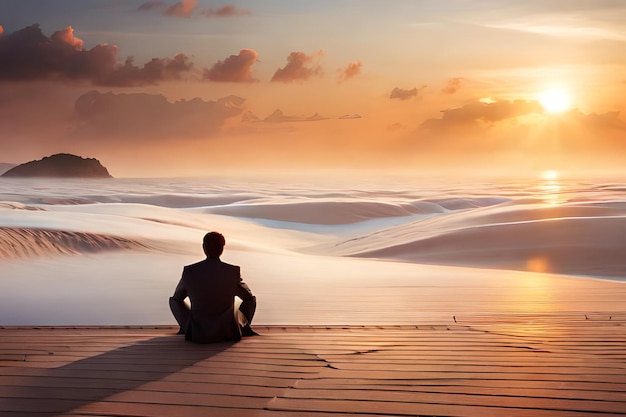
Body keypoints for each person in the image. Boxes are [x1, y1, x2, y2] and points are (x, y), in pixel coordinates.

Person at [169, 231, 257, 343]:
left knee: (173, 301)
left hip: (198, 333)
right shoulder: (232, 271)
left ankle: (188, 327)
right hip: (227, 333)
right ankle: (242, 329)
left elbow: (177, 298)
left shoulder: (190, 271)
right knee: (251, 300)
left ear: (203, 247)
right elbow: (247, 296)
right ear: (222, 249)